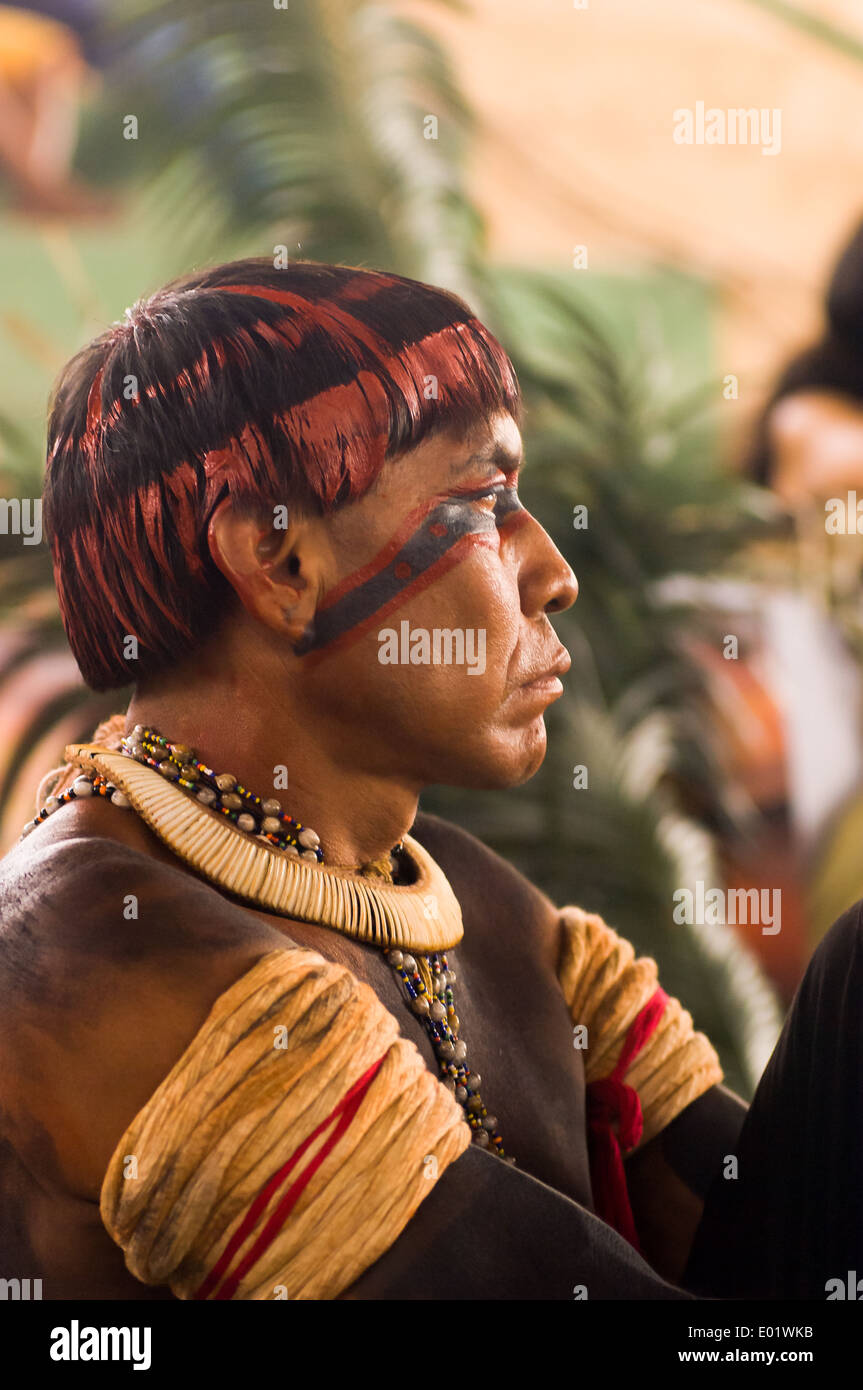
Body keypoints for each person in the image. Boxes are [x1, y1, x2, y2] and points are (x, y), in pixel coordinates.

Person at [0, 258, 856, 1301]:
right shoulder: (91, 955)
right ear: (277, 565)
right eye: (483, 499)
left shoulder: (467, 894)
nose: (551, 569)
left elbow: (767, 1250)